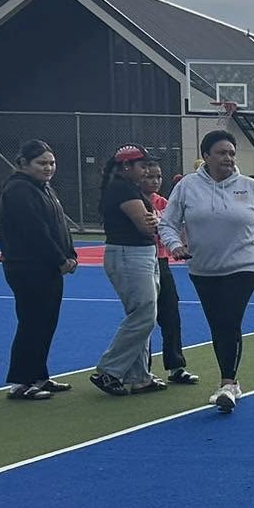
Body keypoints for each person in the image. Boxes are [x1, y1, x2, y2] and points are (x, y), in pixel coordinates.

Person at [158, 129, 254, 414]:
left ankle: (228, 383)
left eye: (231, 153)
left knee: (229, 320)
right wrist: (175, 245)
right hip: (203, 268)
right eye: (221, 153)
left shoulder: (251, 187)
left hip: (244, 265)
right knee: (218, 325)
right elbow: (167, 223)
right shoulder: (187, 186)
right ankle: (232, 381)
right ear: (206, 156)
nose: (228, 158)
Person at [0, 140, 77, 399]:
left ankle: (39, 376)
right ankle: (21, 382)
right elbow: (34, 232)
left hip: (46, 268)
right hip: (28, 268)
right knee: (32, 323)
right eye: (41, 163)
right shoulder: (19, 189)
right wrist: (60, 259)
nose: (48, 168)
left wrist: (71, 254)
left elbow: (60, 226)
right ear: (23, 163)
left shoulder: (44, 188)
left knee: (45, 323)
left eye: (51, 163)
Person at [92, 144, 165, 396]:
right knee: (144, 315)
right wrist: (156, 221)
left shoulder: (127, 188)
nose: (146, 171)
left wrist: (155, 220)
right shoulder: (123, 189)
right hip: (130, 254)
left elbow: (150, 223)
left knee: (142, 315)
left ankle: (139, 376)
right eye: (142, 166)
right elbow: (146, 226)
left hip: (138, 253)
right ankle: (109, 369)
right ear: (126, 166)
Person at [141, 159, 196, 385]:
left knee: (171, 313)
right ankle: (142, 369)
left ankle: (176, 366)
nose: (155, 181)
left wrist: (181, 245)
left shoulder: (164, 203)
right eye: (149, 177)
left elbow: (174, 226)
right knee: (144, 318)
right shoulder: (134, 201)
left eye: (159, 177)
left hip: (162, 262)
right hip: (143, 262)